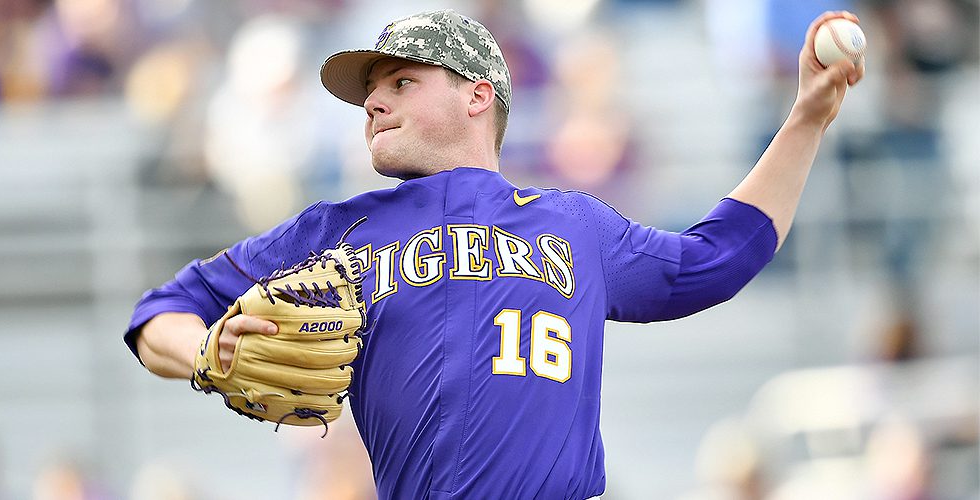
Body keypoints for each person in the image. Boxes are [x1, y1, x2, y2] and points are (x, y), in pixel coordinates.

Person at [125, 9, 864, 499]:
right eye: (370, 93)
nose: (374, 102)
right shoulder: (334, 230)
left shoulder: (575, 225)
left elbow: (720, 257)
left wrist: (806, 117)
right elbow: (160, 311)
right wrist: (202, 352)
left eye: (401, 82)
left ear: (477, 96)